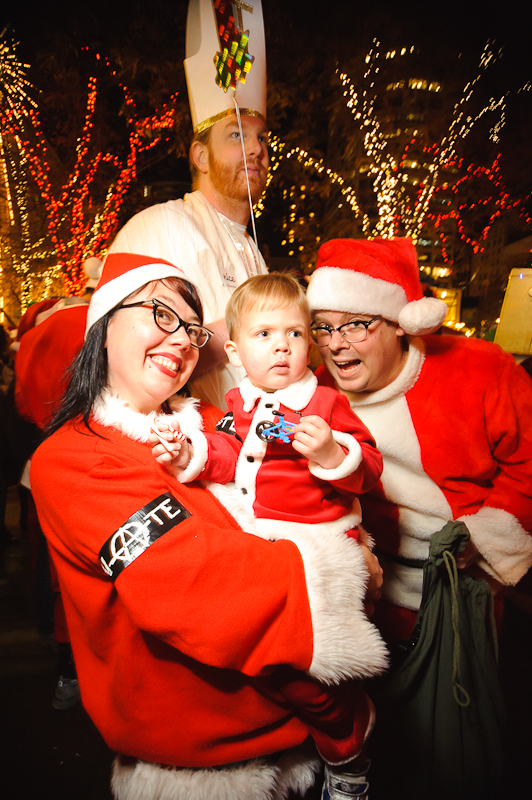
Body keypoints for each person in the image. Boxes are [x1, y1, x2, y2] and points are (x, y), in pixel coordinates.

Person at [30, 253, 386, 800]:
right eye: (160, 313)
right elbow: (200, 585)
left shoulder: (205, 424)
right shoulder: (77, 459)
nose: (181, 339)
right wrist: (342, 572)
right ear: (102, 328)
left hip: (289, 734)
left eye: (192, 328)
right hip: (206, 764)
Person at [306, 236, 532, 798]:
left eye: (357, 324)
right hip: (364, 605)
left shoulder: (480, 370)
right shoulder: (308, 391)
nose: (336, 345)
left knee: (453, 750)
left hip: (461, 597)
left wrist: (484, 540)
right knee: (374, 749)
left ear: (401, 323)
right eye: (324, 327)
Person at [151, 272, 387, 797]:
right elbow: (230, 453)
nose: (281, 346)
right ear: (234, 350)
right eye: (264, 335)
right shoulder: (240, 402)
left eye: (295, 333)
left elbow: (370, 468)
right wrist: (189, 454)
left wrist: (331, 453)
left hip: (323, 545)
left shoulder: (325, 403)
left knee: (309, 669)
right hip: (261, 540)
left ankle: (348, 752)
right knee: (252, 654)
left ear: (309, 341)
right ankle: (295, 746)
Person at [107, 0, 269, 410]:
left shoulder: (252, 248)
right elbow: (121, 364)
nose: (256, 149)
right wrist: (254, 331)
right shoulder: (157, 228)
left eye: (262, 138)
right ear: (200, 156)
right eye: (236, 135)